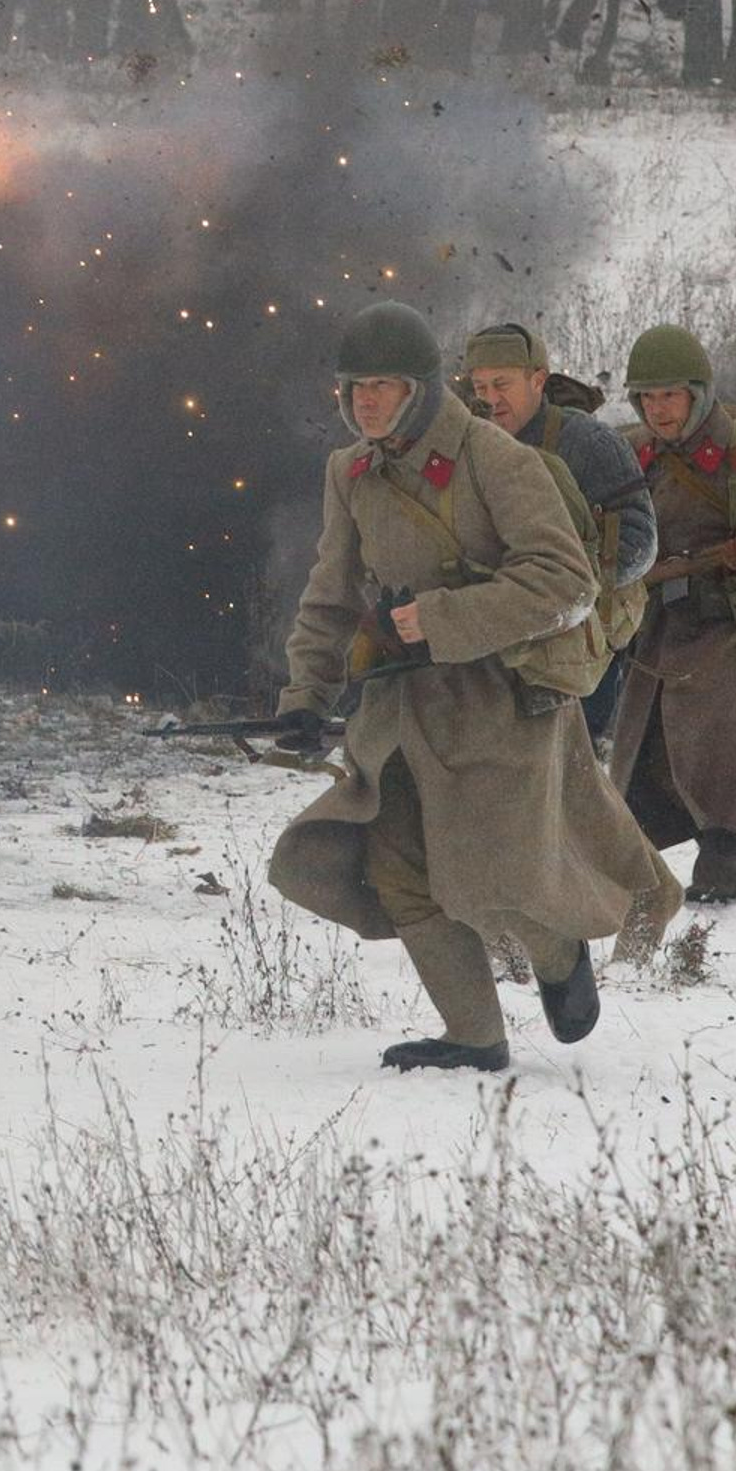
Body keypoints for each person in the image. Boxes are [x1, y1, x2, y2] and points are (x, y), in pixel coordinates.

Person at [268, 303, 678, 1072]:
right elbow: (330, 595)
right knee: (399, 870)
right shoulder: (349, 472)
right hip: (398, 712)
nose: (365, 404)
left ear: (420, 390)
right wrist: (305, 696)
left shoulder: (496, 459)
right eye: (354, 389)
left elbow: (567, 583)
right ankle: (474, 1036)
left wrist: (439, 619)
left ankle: (559, 957)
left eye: (382, 387)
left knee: (495, 878)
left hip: (500, 702)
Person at [610, 324, 736, 904]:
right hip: (656, 623)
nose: (658, 410)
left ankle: (728, 858)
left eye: (669, 396)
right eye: (646, 398)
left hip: (730, 624)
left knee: (722, 742)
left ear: (697, 394)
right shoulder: (630, 452)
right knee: (645, 741)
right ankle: (639, 857)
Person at [463, 322, 656, 745]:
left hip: (570, 653)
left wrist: (554, 581)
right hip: (485, 646)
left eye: (502, 385)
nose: (490, 400)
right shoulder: (464, 443)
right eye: (479, 387)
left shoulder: (589, 444)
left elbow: (640, 544)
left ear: (537, 380)